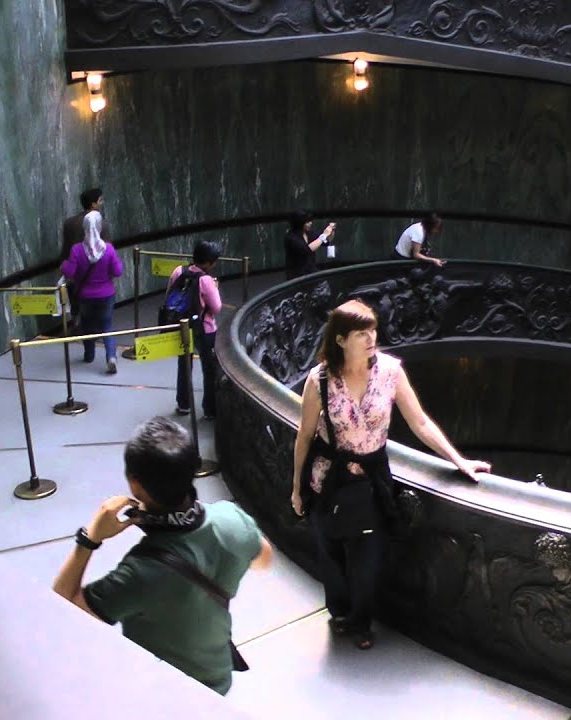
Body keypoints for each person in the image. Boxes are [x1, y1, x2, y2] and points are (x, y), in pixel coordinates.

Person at [289, 300, 490, 650]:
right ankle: (339, 612)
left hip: (371, 481)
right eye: (360, 333)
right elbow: (305, 434)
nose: (371, 339)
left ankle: (360, 620)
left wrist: (459, 460)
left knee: (369, 556)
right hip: (328, 478)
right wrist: (296, 488)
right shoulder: (320, 379)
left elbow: (421, 422)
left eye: (373, 331)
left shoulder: (390, 372)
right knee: (330, 549)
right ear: (340, 340)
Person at [53, 417, 273, 695]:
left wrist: (90, 538)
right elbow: (264, 559)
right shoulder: (231, 520)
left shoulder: (139, 572)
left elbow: (58, 606)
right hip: (217, 678)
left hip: (164, 694)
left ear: (135, 485)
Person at [61, 205, 123, 374]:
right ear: (100, 227)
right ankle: (111, 357)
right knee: (107, 325)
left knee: (87, 325)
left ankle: (89, 354)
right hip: (106, 294)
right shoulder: (108, 249)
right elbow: (118, 271)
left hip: (85, 296)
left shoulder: (77, 250)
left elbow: (69, 272)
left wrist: (65, 265)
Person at [169, 240, 223, 419]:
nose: (214, 264)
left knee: (184, 365)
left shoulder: (178, 271)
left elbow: (169, 296)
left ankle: (183, 404)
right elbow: (216, 308)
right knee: (209, 369)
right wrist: (215, 288)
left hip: (181, 326)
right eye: (213, 261)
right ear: (207, 262)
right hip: (204, 329)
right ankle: (209, 409)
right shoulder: (206, 280)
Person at [283, 210, 335, 281]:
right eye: (307, 222)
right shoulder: (291, 237)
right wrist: (324, 235)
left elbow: (326, 242)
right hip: (297, 275)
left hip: (311, 270)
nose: (310, 223)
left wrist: (331, 231)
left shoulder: (309, 233)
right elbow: (306, 250)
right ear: (299, 223)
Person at [61, 188, 107, 265]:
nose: (102, 203)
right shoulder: (102, 224)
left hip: (75, 271)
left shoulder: (69, 223)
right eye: (100, 200)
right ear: (93, 204)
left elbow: (65, 252)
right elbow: (107, 253)